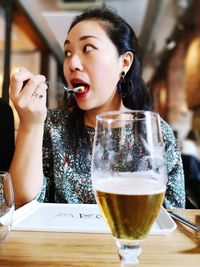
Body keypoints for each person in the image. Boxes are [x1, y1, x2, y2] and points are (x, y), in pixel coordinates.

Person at [10, 5, 185, 208]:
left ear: (125, 62)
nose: (72, 63)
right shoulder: (53, 125)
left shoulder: (156, 133)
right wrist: (30, 124)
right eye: (67, 52)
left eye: (88, 48)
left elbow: (174, 214)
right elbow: (22, 204)